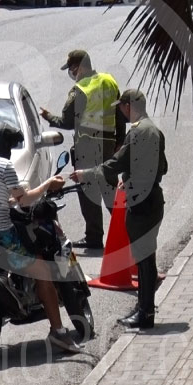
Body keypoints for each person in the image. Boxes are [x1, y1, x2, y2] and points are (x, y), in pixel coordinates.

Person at [0, 121, 81, 352]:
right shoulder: (3, 165)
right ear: (2, 145)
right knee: (43, 269)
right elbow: (23, 199)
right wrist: (47, 185)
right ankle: (58, 332)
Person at [70, 89, 167, 328]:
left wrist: (85, 174)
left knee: (143, 260)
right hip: (153, 200)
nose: (120, 112)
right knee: (146, 258)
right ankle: (144, 307)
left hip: (141, 205)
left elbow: (115, 163)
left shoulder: (137, 133)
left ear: (128, 106)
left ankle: (145, 313)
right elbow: (162, 168)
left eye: (121, 107)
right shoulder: (154, 130)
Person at [40, 50, 125, 249]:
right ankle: (128, 230)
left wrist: (49, 117)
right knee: (110, 189)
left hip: (87, 145)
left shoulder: (81, 89)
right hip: (108, 144)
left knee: (88, 191)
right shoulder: (109, 81)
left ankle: (94, 237)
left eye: (71, 68)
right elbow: (120, 114)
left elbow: (68, 121)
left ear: (78, 67)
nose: (70, 72)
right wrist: (119, 140)